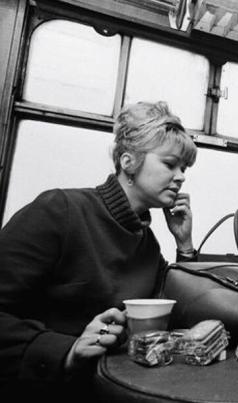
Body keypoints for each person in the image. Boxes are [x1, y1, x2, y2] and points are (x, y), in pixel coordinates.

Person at [0, 101, 198, 401]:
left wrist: (184, 244)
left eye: (184, 168)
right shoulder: (59, 211)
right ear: (128, 161)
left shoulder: (147, 243)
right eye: (170, 164)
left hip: (110, 388)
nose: (181, 176)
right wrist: (65, 350)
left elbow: (178, 307)